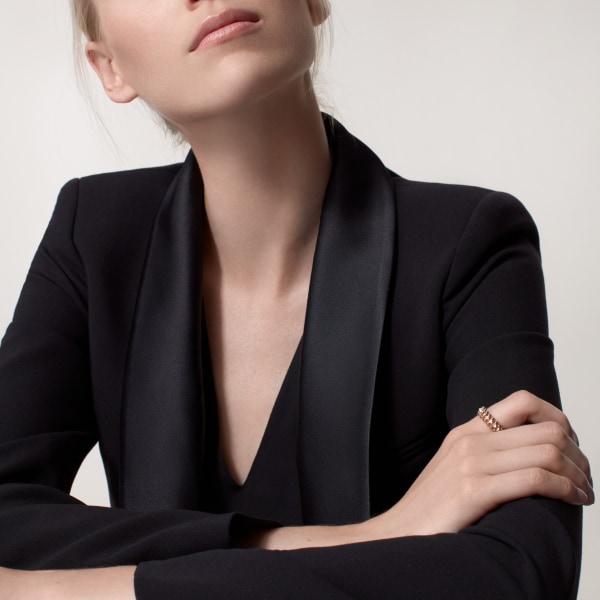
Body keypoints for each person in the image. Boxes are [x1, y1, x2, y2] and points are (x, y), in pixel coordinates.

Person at [0, 0, 594, 598]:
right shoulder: (92, 236)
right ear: (110, 68)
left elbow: (520, 574)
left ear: (315, 3)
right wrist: (371, 535)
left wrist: (59, 591)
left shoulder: (471, 242)